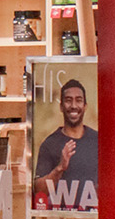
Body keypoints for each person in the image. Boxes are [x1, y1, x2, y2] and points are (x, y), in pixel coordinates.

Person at [33, 79, 98, 210]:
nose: (74, 106)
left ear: (85, 106)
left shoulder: (98, 141)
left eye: (78, 100)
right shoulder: (49, 144)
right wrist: (60, 169)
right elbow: (39, 192)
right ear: (61, 106)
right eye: (68, 100)